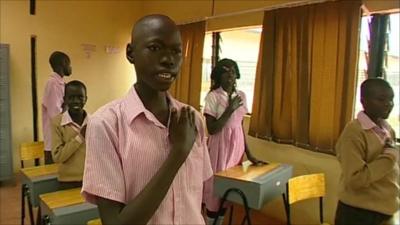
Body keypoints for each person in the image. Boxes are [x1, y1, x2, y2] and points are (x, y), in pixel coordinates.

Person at [82, 14, 213, 225]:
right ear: (130, 53)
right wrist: (178, 152)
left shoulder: (192, 119)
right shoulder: (106, 124)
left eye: (176, 51)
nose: (168, 59)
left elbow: (196, 198)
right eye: (155, 48)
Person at [202, 58, 265, 224]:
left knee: (228, 190)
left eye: (233, 70)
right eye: (225, 70)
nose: (230, 74)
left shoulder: (241, 95)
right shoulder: (213, 97)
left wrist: (249, 154)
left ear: (237, 74)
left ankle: (219, 222)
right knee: (216, 189)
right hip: (220, 148)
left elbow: (240, 127)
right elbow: (212, 129)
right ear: (219, 75)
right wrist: (230, 109)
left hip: (236, 148)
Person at [335, 78, 399, 225]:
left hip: (386, 209)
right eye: (381, 99)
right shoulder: (354, 132)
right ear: (364, 101)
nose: (388, 104)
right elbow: (355, 180)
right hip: (359, 213)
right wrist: (389, 157)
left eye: (391, 99)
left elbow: (391, 169)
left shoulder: (387, 128)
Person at [51, 80, 88, 190]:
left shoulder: (94, 121)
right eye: (71, 98)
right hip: (67, 181)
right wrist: (79, 138)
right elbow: (57, 157)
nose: (76, 101)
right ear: (65, 99)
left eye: (80, 97)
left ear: (86, 99)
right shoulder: (57, 123)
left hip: (90, 179)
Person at [42, 51, 72, 164]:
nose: (70, 67)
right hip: (54, 143)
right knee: (53, 177)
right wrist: (67, 106)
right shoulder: (53, 84)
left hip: (62, 140)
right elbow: (56, 116)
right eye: (69, 64)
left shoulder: (61, 83)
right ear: (63, 63)